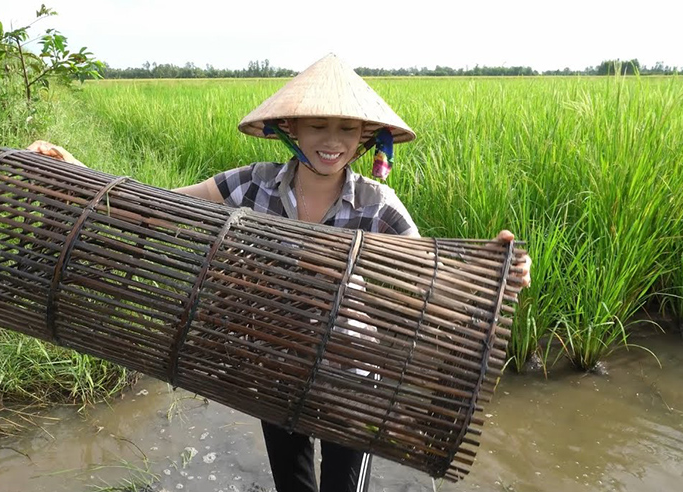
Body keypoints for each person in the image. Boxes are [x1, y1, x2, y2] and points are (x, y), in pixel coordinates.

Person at [29, 53, 531, 492]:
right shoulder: (253, 187)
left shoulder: (377, 205)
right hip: (275, 363)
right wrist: (79, 170)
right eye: (317, 126)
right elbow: (160, 207)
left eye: (346, 129)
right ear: (290, 130)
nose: (331, 141)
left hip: (350, 375)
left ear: (364, 139)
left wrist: (496, 272)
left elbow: (431, 278)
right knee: (291, 484)